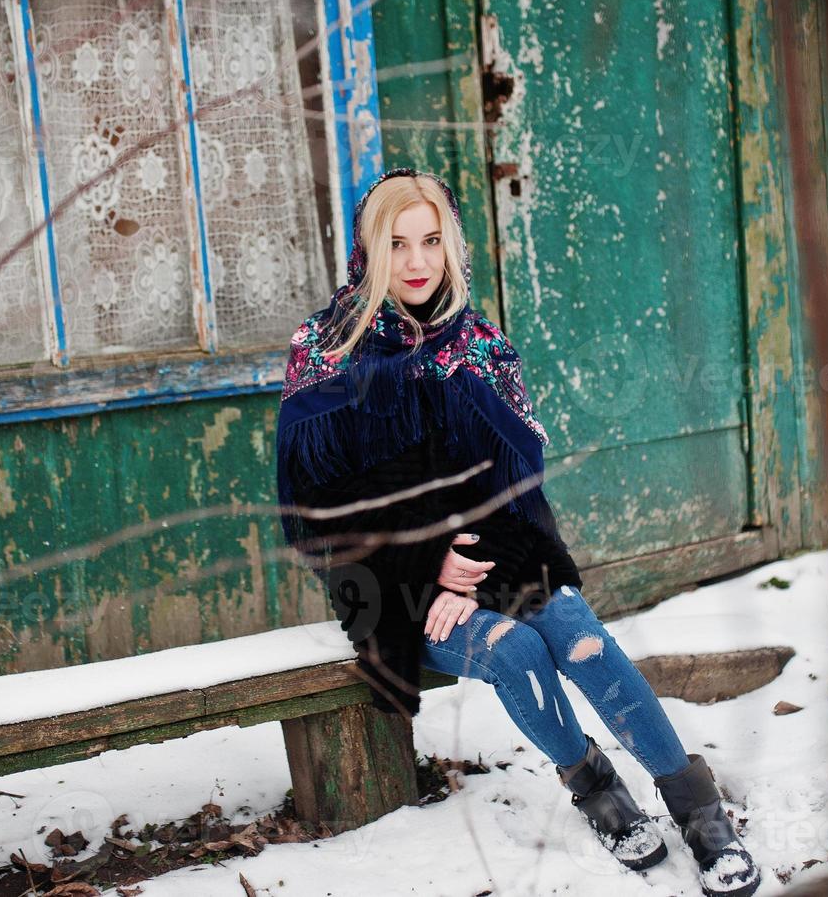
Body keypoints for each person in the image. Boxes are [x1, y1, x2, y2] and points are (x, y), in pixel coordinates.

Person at [275, 168, 760, 896]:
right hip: (387, 582)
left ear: (451, 246)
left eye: (431, 241)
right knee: (514, 649)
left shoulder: (479, 346)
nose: (415, 262)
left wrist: (464, 557)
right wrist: (425, 564)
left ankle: (697, 810)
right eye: (397, 243)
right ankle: (594, 788)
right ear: (368, 249)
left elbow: (510, 490)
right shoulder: (325, 349)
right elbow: (314, 513)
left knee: (577, 634)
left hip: (495, 553)